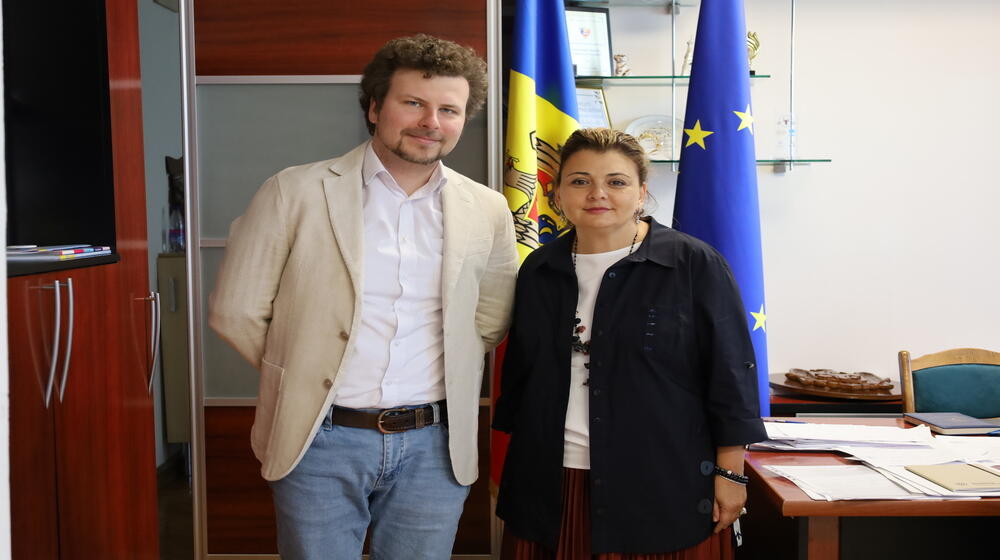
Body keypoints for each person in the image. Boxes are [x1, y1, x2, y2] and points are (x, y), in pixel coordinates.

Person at [209, 34, 518, 560]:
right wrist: (304, 369)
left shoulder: (487, 208)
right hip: (320, 437)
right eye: (413, 103)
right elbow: (235, 310)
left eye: (449, 109)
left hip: (434, 444)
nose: (430, 122)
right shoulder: (296, 191)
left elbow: (490, 317)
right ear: (376, 107)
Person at [493, 128, 767, 559]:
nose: (597, 193)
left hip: (660, 484)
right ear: (558, 193)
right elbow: (524, 377)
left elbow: (730, 376)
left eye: (616, 182)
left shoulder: (692, 264)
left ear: (641, 192)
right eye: (580, 180)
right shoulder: (539, 269)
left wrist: (731, 475)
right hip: (551, 481)